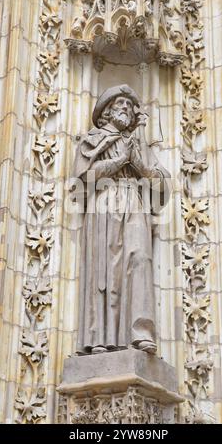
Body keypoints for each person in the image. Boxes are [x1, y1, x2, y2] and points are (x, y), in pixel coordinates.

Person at [74, 84, 171, 355]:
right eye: (120, 105)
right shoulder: (93, 140)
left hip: (134, 202)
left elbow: (162, 186)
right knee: (106, 270)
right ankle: (100, 339)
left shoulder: (138, 144)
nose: (126, 109)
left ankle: (140, 334)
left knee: (140, 258)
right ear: (107, 111)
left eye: (129, 106)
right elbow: (84, 178)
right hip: (104, 202)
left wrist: (139, 163)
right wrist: (119, 161)